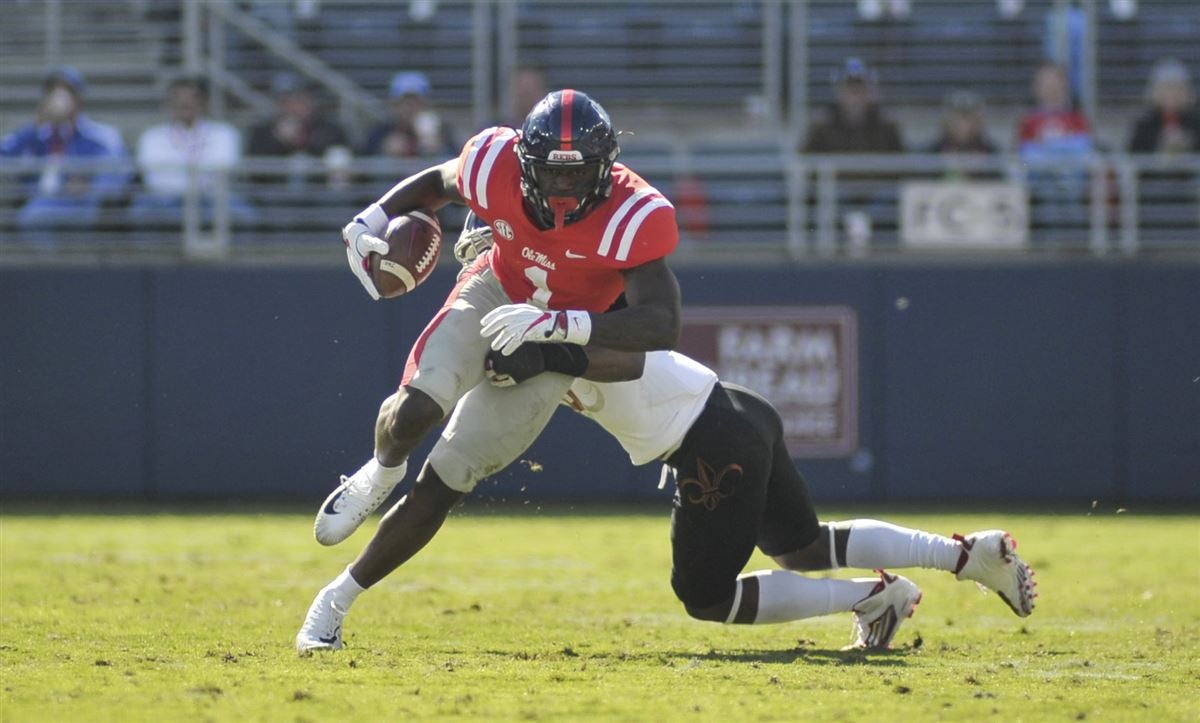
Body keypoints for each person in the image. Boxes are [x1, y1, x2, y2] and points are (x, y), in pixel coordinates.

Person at [295, 221, 1037, 654]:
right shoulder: (548, 297)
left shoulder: (546, 323)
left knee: (703, 596)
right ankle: (969, 555)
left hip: (711, 438)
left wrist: (533, 337)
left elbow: (586, 350)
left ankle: (874, 599)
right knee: (803, 546)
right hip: (735, 408)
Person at [295, 90, 682, 651]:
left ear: (608, 166)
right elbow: (437, 184)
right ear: (525, 162)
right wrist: (371, 217)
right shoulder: (493, 161)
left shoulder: (636, 211)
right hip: (496, 288)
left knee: (448, 478)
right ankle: (381, 471)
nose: (565, 189)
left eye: (579, 176)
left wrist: (560, 328)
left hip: (557, 331)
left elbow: (661, 324)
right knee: (420, 405)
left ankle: (335, 599)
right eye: (550, 174)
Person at [0, 67, 130, 246]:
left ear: (79, 99)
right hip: (39, 201)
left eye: (66, 92)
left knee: (35, 216)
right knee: (32, 215)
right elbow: (4, 154)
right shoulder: (35, 134)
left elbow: (119, 172)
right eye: (52, 93)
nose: (58, 99)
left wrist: (91, 187)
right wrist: (37, 125)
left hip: (82, 204)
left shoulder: (99, 135)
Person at [128, 75, 253, 228]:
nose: (184, 103)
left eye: (191, 98)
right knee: (142, 210)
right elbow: (155, 179)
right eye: (177, 98)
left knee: (243, 214)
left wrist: (182, 173)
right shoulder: (152, 137)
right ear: (169, 102)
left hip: (212, 199)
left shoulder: (224, 133)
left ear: (204, 102)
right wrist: (196, 175)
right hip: (165, 200)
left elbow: (224, 172)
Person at [1015, 62, 1094, 237]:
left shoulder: (1077, 119)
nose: (1051, 87)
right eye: (1045, 82)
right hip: (1040, 184)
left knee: (1068, 191)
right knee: (1048, 190)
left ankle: (1074, 248)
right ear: (1036, 88)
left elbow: (1083, 152)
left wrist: (1046, 147)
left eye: (1055, 81)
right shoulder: (1028, 121)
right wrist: (1061, 150)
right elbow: (1026, 156)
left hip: (1072, 183)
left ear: (1064, 85)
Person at [802, 58, 903, 154]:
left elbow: (904, 165)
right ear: (838, 91)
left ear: (870, 91)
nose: (855, 95)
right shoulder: (821, 129)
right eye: (850, 88)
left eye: (860, 88)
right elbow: (802, 163)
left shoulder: (887, 128)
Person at [361, 71, 457, 159]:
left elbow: (458, 164)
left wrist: (439, 149)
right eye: (404, 102)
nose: (410, 108)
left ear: (427, 105)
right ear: (393, 106)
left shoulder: (442, 130)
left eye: (416, 102)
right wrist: (383, 152)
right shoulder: (380, 132)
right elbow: (361, 166)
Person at [1129, 58, 1200, 155]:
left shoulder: (1196, 122)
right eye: (1166, 88)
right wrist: (1161, 145)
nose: (1172, 94)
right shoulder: (1145, 124)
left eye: (1177, 89)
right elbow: (1133, 155)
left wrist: (1187, 144)